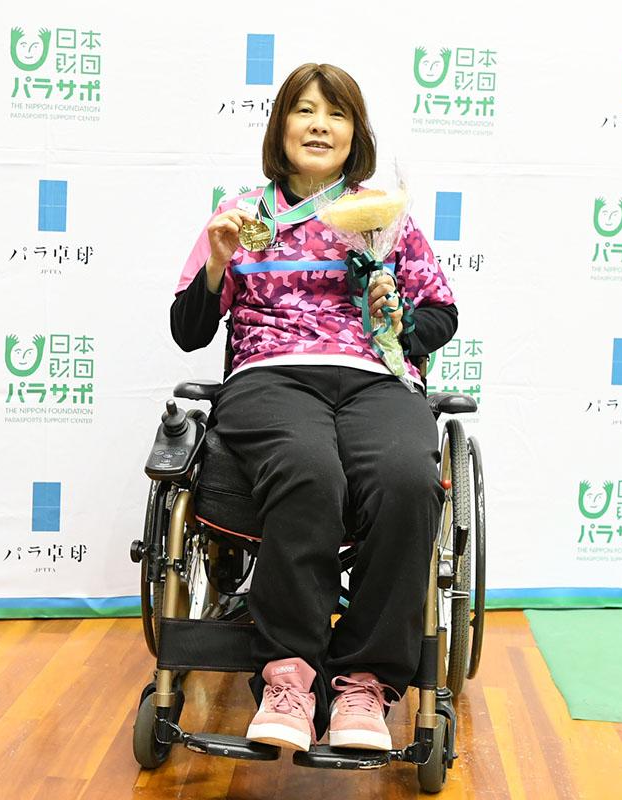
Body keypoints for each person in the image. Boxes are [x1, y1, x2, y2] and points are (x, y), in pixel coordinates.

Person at [170, 63, 458, 753]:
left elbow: (441, 313)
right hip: (270, 375)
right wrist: (217, 263)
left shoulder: (382, 215)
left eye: (336, 113)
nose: (320, 125)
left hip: (371, 376)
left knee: (406, 477)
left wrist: (397, 321)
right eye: (304, 110)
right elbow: (188, 332)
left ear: (356, 133)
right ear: (281, 128)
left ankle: (365, 683)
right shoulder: (242, 215)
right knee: (309, 470)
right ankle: (289, 677)